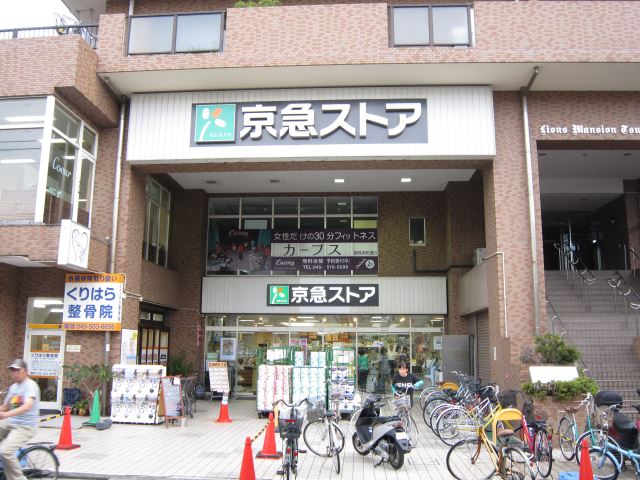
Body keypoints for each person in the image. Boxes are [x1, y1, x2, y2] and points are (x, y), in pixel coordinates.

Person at [0, 359, 41, 480]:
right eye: (12, 370)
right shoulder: (13, 387)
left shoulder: (31, 386)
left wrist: (6, 415)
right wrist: (4, 413)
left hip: (25, 426)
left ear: (26, 371)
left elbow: (27, 406)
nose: (15, 373)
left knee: (6, 452)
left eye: (18, 370)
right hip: (11, 423)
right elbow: (6, 407)